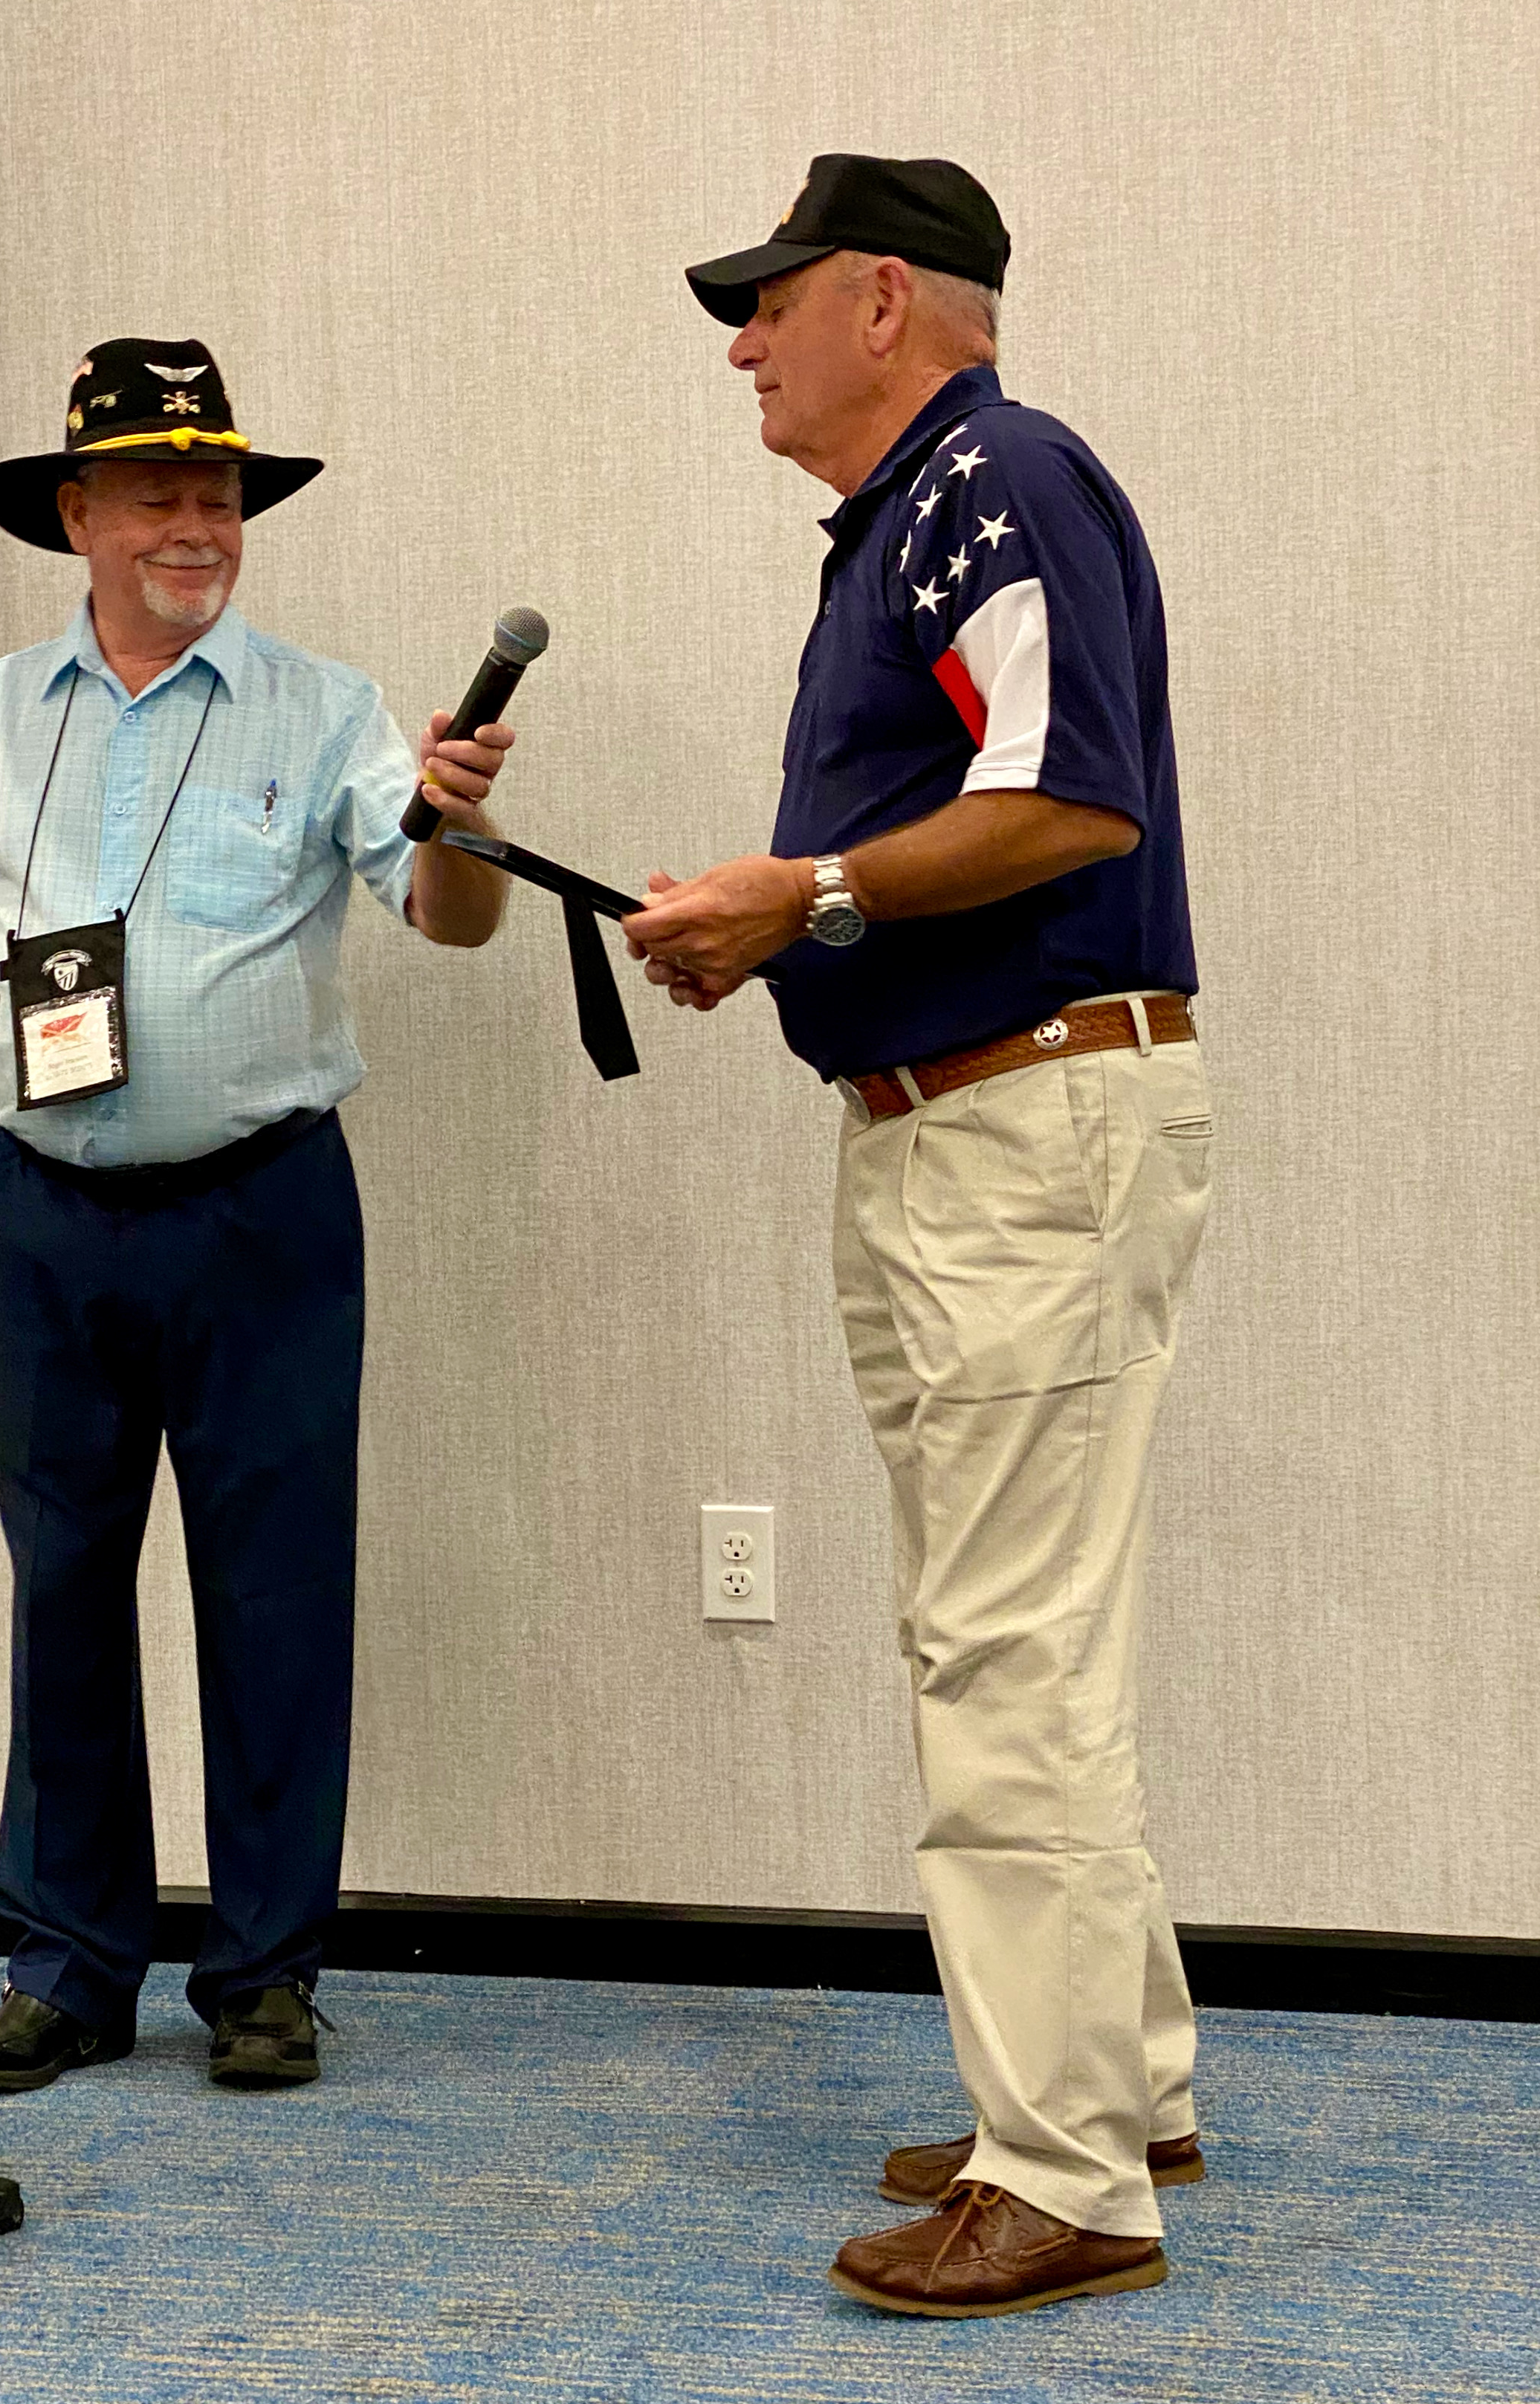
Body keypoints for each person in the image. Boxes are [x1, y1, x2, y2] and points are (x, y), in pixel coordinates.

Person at [626, 156, 1212, 2315]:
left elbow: (1068, 795)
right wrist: (781, 927)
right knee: (1021, 1632)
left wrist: (803, 895)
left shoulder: (991, 476)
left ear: (883, 299)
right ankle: (1117, 2085)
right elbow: (963, 826)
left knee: (1004, 1646)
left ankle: (1062, 2177)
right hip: (968, 1119)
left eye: (767, 301)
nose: (739, 344)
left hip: (1015, 1125)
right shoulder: (921, 510)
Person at [0, 337, 513, 2093]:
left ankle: (266, 1973)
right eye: (157, 493)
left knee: (277, 1587)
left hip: (263, 1213)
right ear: (79, 514)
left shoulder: (326, 710)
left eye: (218, 495)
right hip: (46, 1213)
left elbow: (450, 919)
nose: (195, 525)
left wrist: (459, 826)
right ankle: (68, 1968)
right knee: (62, 1584)